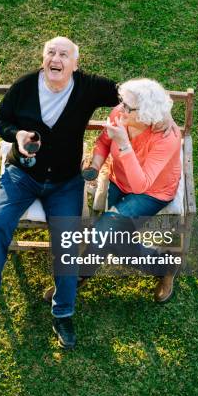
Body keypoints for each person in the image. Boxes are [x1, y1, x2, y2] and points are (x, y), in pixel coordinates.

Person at [0, 37, 119, 349]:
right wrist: (17, 134)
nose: (56, 58)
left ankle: (63, 313)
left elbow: (125, 95)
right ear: (43, 58)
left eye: (64, 54)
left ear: (75, 64)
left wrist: (153, 109)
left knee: (65, 242)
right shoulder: (24, 86)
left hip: (65, 182)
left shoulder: (88, 86)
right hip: (22, 175)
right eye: (51, 52)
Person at [45, 78, 182, 302]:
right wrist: (96, 165)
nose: (120, 109)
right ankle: (164, 266)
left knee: (103, 233)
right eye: (122, 102)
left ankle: (75, 278)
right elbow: (103, 142)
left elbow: (141, 185)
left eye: (128, 107)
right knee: (115, 240)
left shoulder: (167, 139)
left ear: (147, 113)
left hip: (151, 192)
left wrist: (125, 144)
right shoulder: (121, 114)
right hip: (119, 180)